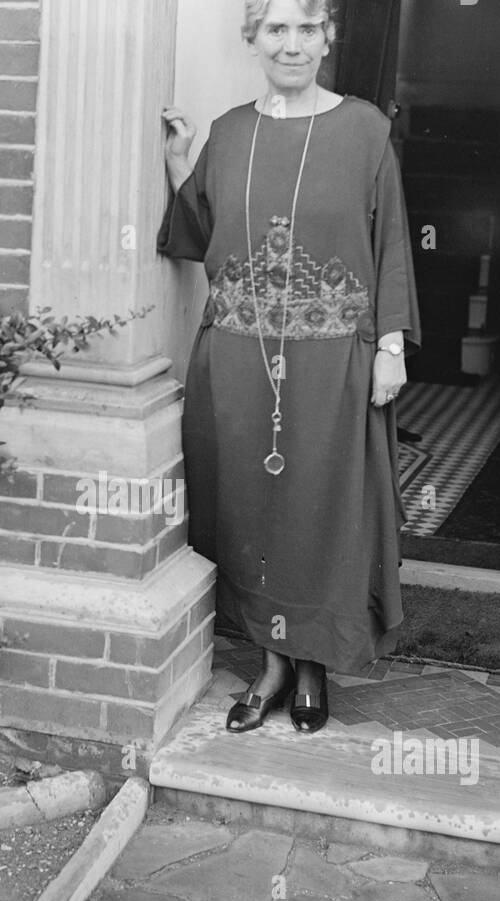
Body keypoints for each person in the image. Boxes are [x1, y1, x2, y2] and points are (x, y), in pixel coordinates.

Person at [157, 0, 420, 735]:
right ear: (254, 40)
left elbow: (391, 238)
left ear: (327, 38)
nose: (293, 44)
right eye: (277, 29)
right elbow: (206, 232)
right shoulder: (232, 132)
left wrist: (391, 347)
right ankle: (269, 665)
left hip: (333, 363)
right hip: (237, 363)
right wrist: (182, 166)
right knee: (248, 512)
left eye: (308, 29)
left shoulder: (365, 129)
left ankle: (313, 668)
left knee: (319, 514)